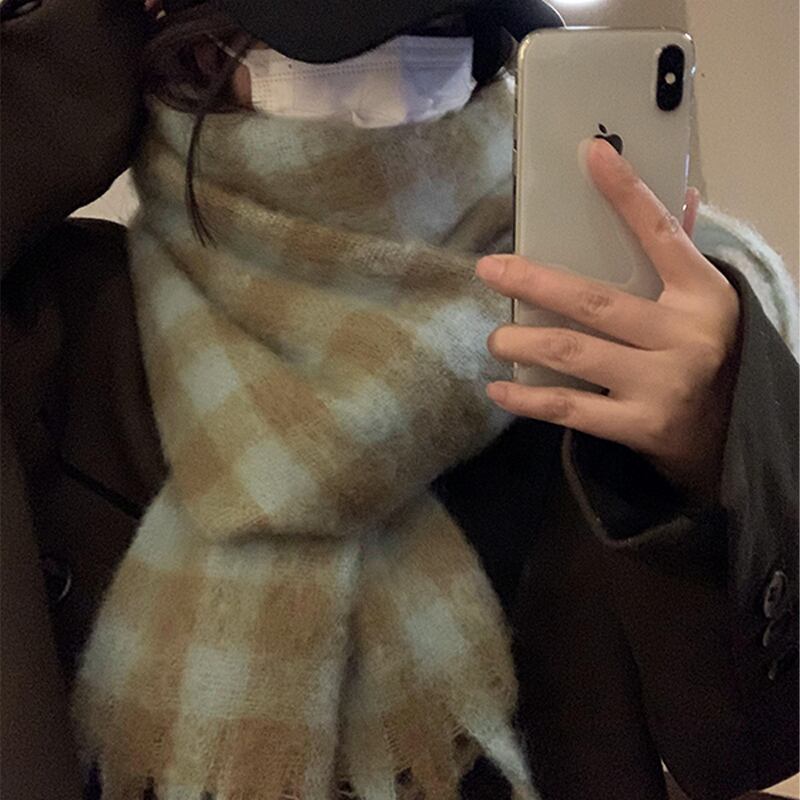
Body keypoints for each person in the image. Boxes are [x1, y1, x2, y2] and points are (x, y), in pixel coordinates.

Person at [1, 0, 797, 798]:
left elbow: (749, 743)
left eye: (447, 37)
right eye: (348, 48)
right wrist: (87, 40)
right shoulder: (64, 322)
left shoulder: (614, 325)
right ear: (205, 59)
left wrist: (713, 451)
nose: (412, 94)